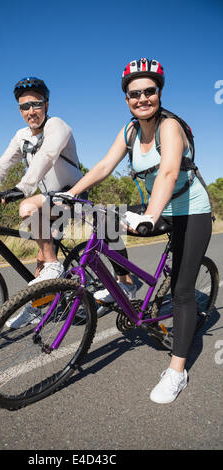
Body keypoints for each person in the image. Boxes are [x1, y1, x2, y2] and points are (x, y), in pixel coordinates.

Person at [63, 58, 212, 404]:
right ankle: (127, 286)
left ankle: (177, 371)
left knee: (182, 291)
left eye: (150, 91)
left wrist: (150, 215)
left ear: (159, 93)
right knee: (105, 219)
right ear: (126, 98)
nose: (143, 98)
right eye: (135, 93)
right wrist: (69, 195)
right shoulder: (129, 130)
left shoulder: (169, 127)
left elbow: (169, 172)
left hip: (190, 210)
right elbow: (102, 166)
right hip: (157, 208)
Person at [0, 77, 84, 327]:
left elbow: (48, 156)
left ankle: (54, 267)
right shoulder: (21, 136)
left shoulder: (57, 126)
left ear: (46, 105)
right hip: (48, 202)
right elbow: (1, 165)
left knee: (28, 208)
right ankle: (40, 305)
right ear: (19, 110)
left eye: (36, 104)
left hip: (72, 195)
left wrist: (21, 189)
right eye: (24, 107)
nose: (31, 111)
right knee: (40, 255)